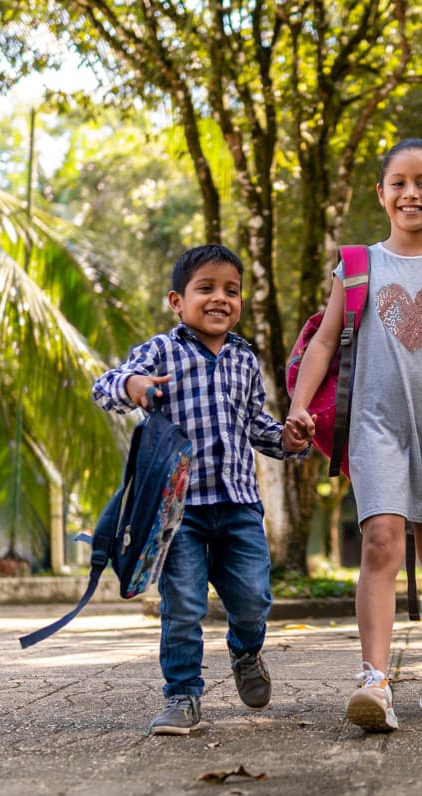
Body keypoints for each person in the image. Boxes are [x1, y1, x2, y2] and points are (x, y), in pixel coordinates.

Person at [287, 139, 422, 733]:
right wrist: (299, 408)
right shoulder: (356, 264)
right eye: (398, 182)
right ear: (380, 194)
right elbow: (325, 341)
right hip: (374, 425)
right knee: (380, 540)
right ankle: (374, 679)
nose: (412, 193)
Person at [93, 244, 310, 735]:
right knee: (184, 606)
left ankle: (246, 652)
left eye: (231, 290)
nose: (220, 299)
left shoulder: (244, 358)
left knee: (254, 599)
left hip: (238, 506)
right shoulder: (161, 351)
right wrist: (134, 388)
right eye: (206, 288)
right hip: (179, 512)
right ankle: (182, 695)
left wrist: (289, 440)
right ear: (177, 300)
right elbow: (106, 384)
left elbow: (256, 424)